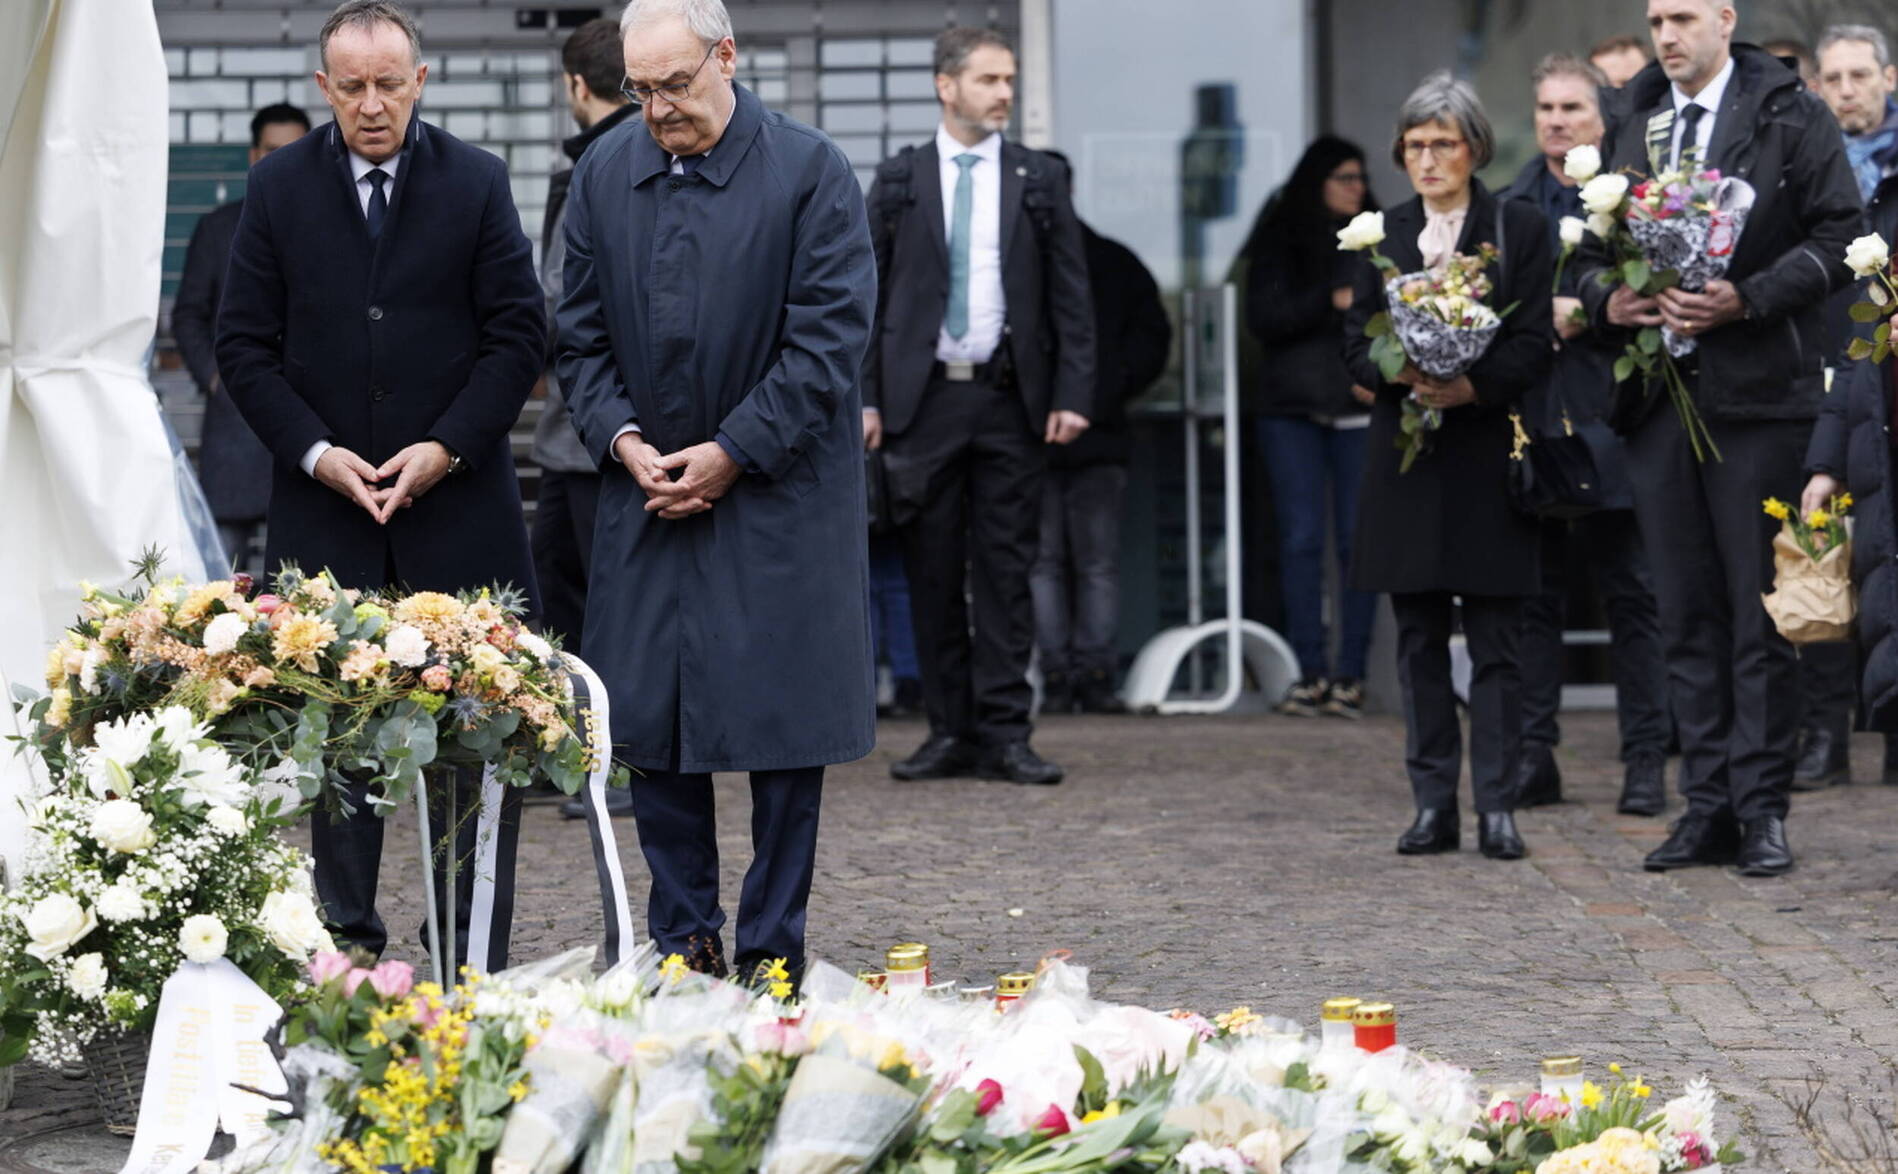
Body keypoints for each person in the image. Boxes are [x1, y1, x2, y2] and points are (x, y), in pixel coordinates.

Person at [216, 0, 545, 966]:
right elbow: (243, 344)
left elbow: (518, 333)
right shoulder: (277, 189)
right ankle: (348, 946)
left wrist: (447, 445)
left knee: (478, 746)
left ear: (420, 81)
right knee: (340, 755)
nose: (370, 105)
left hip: (462, 515)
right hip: (328, 520)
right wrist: (315, 452)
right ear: (324, 88)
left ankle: (468, 953)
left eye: (388, 85)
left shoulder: (478, 182)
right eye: (351, 87)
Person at [555, 0, 875, 984]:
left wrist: (734, 448)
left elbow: (829, 335)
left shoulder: (809, 169)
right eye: (640, 90)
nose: (656, 110)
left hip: (775, 500)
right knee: (653, 728)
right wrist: (621, 438)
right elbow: (575, 333)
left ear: (726, 57)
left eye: (675, 86)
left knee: (784, 740)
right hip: (647, 494)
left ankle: (773, 949)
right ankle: (681, 944)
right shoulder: (604, 172)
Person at [1573, 0, 1862, 876]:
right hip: (1660, 399)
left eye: (1684, 17)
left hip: (1759, 397)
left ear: (1725, 19)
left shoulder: (1788, 109)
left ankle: (1761, 808)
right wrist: (1605, 299)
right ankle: (1705, 806)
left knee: (1756, 614)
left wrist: (1748, 297)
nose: (1667, 35)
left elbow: (1841, 234)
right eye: (1657, 17)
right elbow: (1581, 251)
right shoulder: (1630, 115)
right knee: (1684, 612)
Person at [863, 28, 1096, 784]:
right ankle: (948, 730)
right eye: (990, 79)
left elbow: (1071, 295)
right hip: (922, 403)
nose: (1005, 93)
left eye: (1010, 80)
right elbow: (863, 300)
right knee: (931, 571)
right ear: (946, 85)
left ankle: (1006, 731)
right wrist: (864, 399)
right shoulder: (900, 180)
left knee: (1005, 569)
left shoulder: (1036, 178)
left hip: (1008, 401)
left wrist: (1072, 392)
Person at [1343, 72, 1554, 861]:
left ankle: (1499, 805)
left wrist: (1471, 382)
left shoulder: (1518, 226)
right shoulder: (1378, 233)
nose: (1428, 159)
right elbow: (1352, 347)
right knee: (1419, 639)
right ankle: (1434, 805)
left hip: (1486, 450)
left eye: (1444, 143)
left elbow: (1535, 342)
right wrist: (1399, 370)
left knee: (1499, 639)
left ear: (1475, 149)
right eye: (1415, 145)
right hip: (1405, 455)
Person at [1500, 55, 1670, 815]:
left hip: (1620, 418)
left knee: (1632, 596)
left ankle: (1645, 761)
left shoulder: (1636, 200)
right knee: (1535, 598)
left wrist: (1590, 309)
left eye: (1572, 107)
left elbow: (1660, 296)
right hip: (1536, 422)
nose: (1557, 120)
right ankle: (1535, 756)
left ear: (1603, 119)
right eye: (1545, 107)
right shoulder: (1508, 207)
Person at [539, 17, 640, 823]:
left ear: (577, 86)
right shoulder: (648, 155)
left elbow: (558, 300)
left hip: (589, 435)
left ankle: (612, 759)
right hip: (596, 433)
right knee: (572, 600)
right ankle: (577, 753)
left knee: (593, 607)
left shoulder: (593, 168)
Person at [1245, 135, 1381, 720]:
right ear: (1318, 181)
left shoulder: (1378, 235)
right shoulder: (1282, 235)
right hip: (1292, 409)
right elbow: (1263, 319)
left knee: (1359, 544)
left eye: (1359, 177)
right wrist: (1329, 298)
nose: (1355, 188)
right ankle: (1307, 674)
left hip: (1359, 408)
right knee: (1300, 541)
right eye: (1343, 178)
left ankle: (1351, 674)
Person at [1031, 150, 1170, 716]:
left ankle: (1070, 674)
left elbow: (1150, 341)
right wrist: (1106, 392)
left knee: (1054, 563)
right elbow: (1151, 341)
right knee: (1089, 563)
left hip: (1060, 435)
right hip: (1083, 431)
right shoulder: (1113, 259)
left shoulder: (1027, 262)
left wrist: (1096, 394)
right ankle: (1087, 674)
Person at [1796, 24, 1898, 791]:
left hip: (1884, 394)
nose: (1845, 90)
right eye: (1831, 78)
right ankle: (1825, 736)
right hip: (1822, 387)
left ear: (1888, 79)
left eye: (1859, 75)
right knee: (1820, 568)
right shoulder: (1808, 178)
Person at [170, 102, 311, 574]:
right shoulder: (218, 227)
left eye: (293, 151)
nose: (281, 161)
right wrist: (214, 378)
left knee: (304, 586)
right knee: (221, 582)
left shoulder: (335, 225)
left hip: (312, 426)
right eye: (272, 151)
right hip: (234, 428)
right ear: (254, 156)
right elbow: (187, 315)